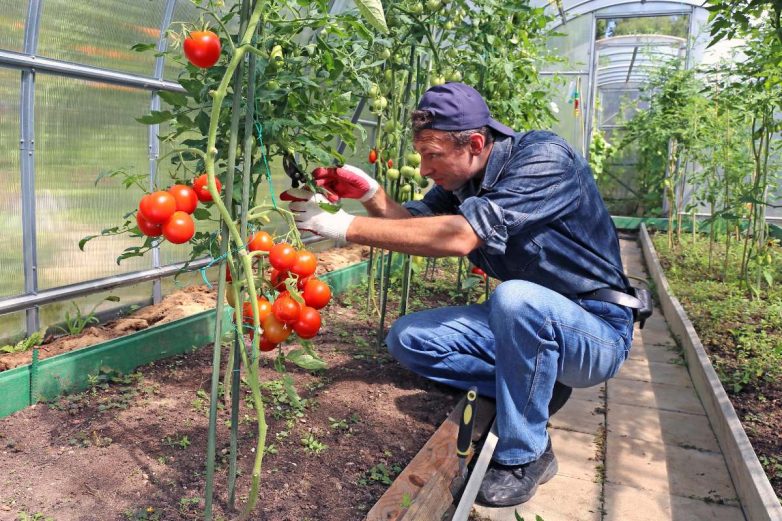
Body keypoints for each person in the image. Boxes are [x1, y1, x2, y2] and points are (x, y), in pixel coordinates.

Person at [284, 82, 635, 507]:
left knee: (517, 299)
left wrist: (343, 228)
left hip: (595, 328)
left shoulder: (544, 158)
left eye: (432, 154)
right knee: (409, 338)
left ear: (473, 142)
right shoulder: (462, 179)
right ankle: (532, 388)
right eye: (421, 155)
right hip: (526, 321)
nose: (425, 168)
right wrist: (373, 196)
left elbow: (460, 236)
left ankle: (526, 455)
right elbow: (415, 226)